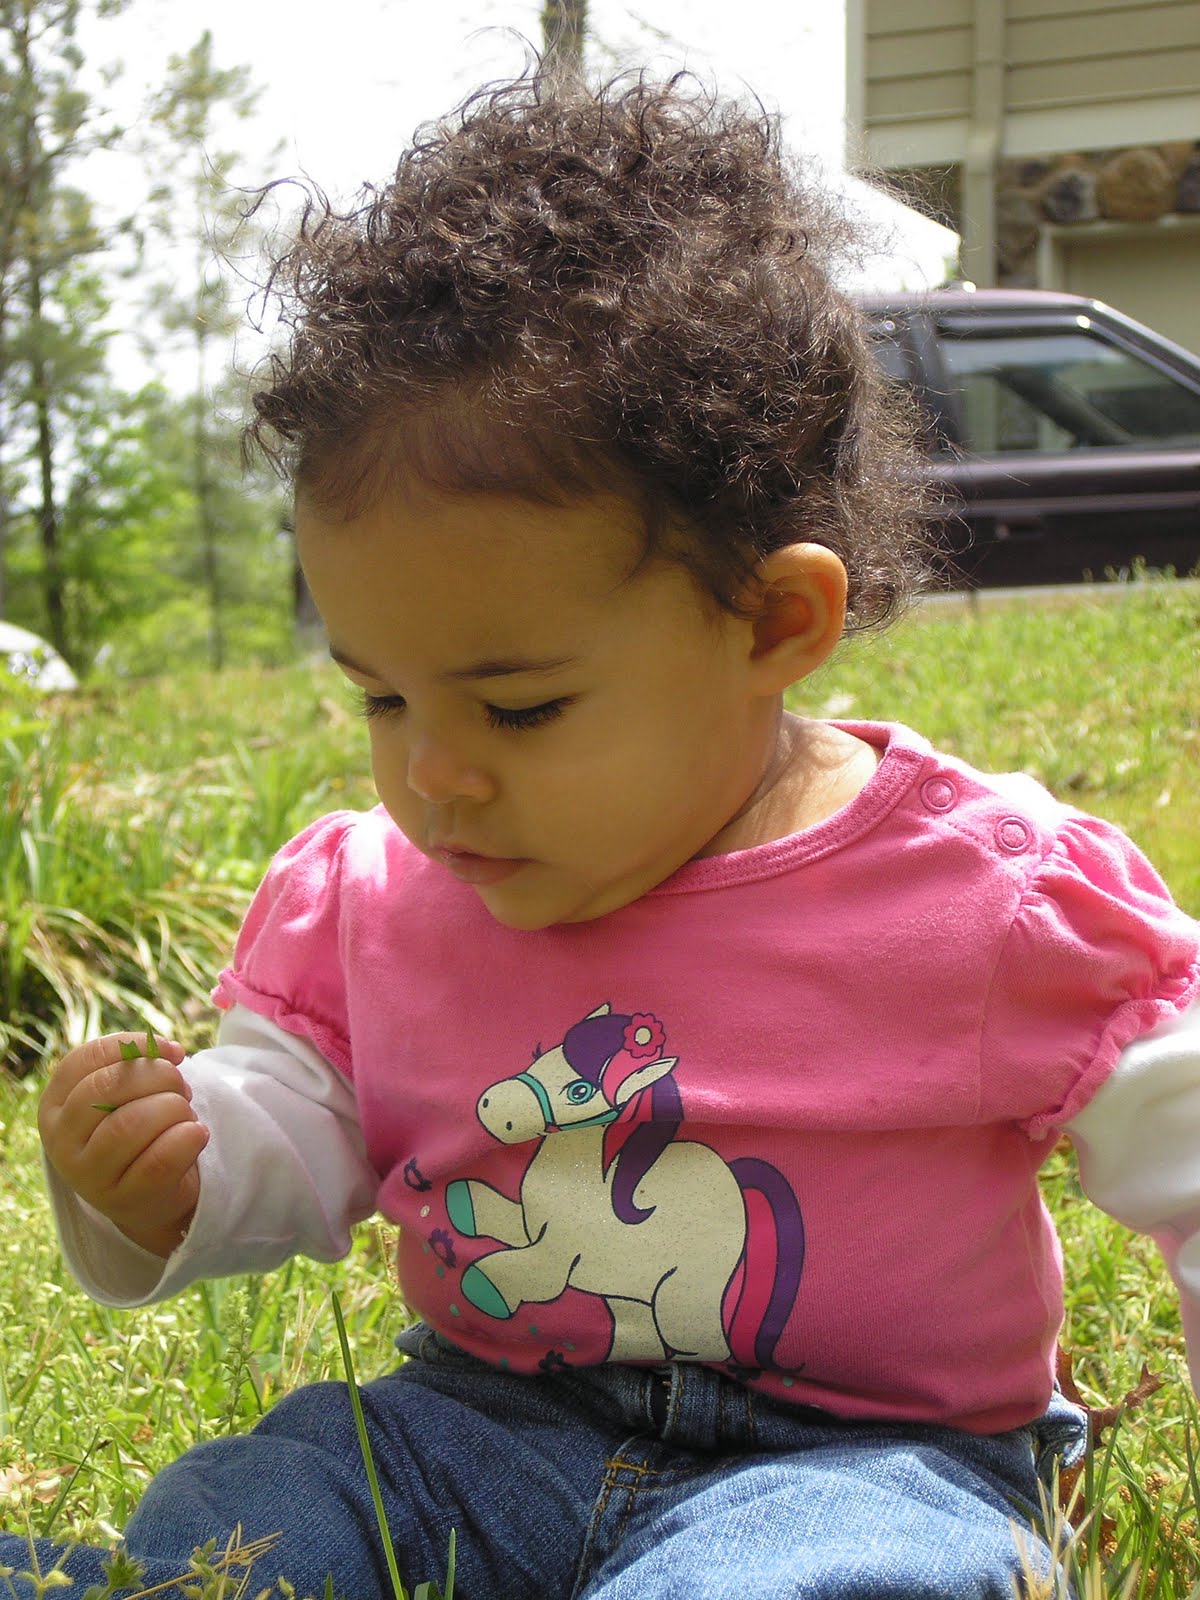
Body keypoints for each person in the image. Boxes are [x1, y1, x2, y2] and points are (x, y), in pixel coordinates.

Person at [9, 69, 1200, 1600]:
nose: (433, 775)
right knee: (257, 1509)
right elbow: (297, 1127)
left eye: (519, 708)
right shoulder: (374, 901)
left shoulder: (981, 893)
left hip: (863, 1466)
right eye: (380, 697)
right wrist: (175, 1173)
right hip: (475, 1425)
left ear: (771, 622)